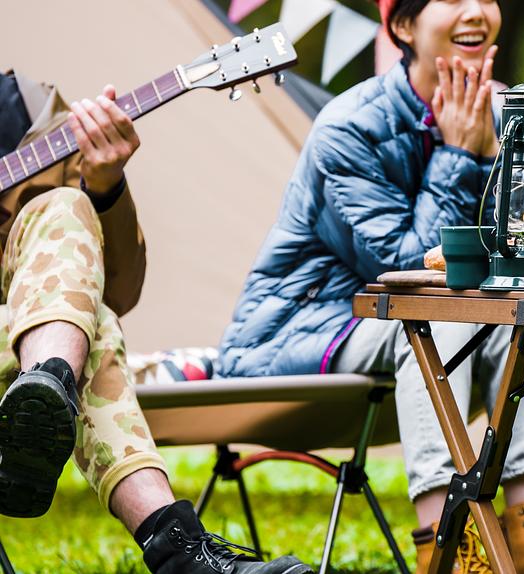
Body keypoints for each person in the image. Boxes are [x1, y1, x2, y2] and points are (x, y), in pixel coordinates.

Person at [218, 0, 524, 572]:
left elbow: (509, 256)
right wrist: (457, 154)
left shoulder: (497, 117)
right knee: (441, 312)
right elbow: (406, 271)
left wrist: (499, 159)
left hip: (396, 331)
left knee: (520, 307)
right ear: (403, 26)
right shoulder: (349, 127)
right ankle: (444, 543)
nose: (476, 11)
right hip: (299, 331)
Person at [0, 69, 311, 574]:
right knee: (87, 327)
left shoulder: (24, 112)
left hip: (24, 334)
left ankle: (46, 385)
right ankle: (179, 553)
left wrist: (104, 189)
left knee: (68, 213)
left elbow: (116, 291)